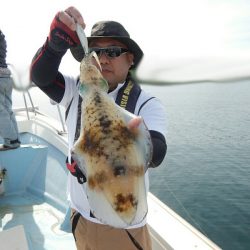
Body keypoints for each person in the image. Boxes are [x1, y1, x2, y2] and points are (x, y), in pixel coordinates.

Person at [30, 6, 167, 250]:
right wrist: (53, 47)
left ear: (130, 58)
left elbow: (157, 151)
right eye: (96, 51)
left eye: (113, 51)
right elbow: (41, 76)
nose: (103, 59)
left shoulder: (146, 103)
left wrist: (136, 142)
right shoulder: (76, 91)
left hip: (124, 225)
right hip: (80, 215)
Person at [0, 29, 20, 151]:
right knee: (7, 109)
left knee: (1, 112)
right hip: (6, 76)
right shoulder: (2, 35)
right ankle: (15, 140)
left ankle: (11, 140)